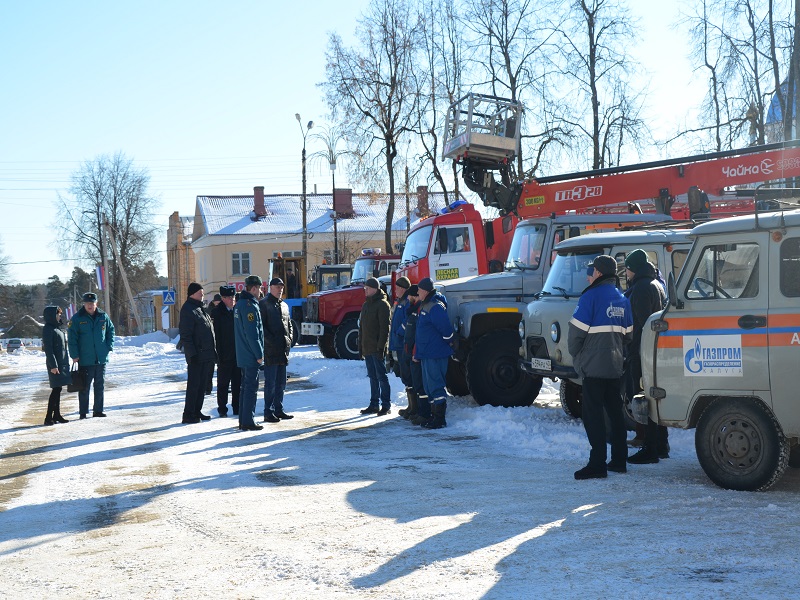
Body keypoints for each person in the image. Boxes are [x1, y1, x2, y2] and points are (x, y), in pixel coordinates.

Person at [568, 255, 632, 480]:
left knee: (593, 416)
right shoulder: (622, 298)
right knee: (615, 413)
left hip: (593, 367)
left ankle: (597, 464)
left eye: (592, 270)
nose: (590, 274)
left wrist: (577, 355)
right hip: (614, 366)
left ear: (599, 272)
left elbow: (575, 336)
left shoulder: (590, 297)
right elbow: (628, 335)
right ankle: (619, 460)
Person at [624, 248, 670, 465]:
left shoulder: (641, 288)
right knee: (655, 397)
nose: (625, 273)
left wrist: (636, 350)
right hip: (655, 351)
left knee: (644, 399)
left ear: (634, 269)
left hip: (643, 352)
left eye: (627, 268)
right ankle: (661, 445)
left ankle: (650, 448)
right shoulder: (656, 284)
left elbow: (643, 324)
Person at [413, 278, 456, 429]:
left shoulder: (435, 306)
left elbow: (445, 329)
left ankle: (440, 419)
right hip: (426, 353)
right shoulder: (425, 305)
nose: (417, 292)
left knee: (436, 385)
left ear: (425, 290)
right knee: (429, 386)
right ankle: (433, 416)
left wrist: (450, 341)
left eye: (419, 289)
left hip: (435, 354)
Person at [68, 292, 115, 419]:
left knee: (100, 385)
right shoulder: (77, 318)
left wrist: (108, 346)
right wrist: (74, 355)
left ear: (96, 303)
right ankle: (83, 412)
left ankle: (98, 410)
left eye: (92, 303)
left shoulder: (103, 316)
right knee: (84, 387)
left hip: (101, 358)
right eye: (88, 303)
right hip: (85, 359)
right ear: (84, 304)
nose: (90, 306)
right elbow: (72, 338)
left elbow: (111, 330)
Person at [179, 282, 217, 424]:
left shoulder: (200, 308)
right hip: (196, 356)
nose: (202, 295)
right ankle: (188, 414)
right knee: (194, 386)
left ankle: (197, 410)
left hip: (206, 355)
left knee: (202, 386)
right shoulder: (188, 309)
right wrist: (192, 354)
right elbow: (186, 335)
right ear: (193, 293)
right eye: (200, 293)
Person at [259, 277, 294, 423]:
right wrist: (270, 341)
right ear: (270, 288)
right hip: (271, 349)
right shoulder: (264, 304)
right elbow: (261, 327)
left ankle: (279, 409)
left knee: (281, 382)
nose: (280, 290)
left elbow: (289, 325)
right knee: (271, 382)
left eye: (282, 287)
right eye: (277, 287)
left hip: (282, 349)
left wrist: (289, 339)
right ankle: (268, 411)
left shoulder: (284, 305)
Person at [234, 275, 265, 431]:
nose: (260, 291)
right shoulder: (249, 306)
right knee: (250, 388)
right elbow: (252, 334)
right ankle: (247, 420)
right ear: (253, 288)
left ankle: (243, 419)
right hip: (250, 354)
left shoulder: (240, 304)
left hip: (243, 353)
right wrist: (259, 355)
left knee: (245, 388)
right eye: (259, 288)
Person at [358, 277, 392, 415]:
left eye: (367, 288)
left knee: (381, 377)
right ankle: (374, 404)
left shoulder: (383, 305)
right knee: (372, 377)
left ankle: (386, 405)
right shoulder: (366, 305)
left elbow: (385, 329)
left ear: (375, 289)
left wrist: (381, 347)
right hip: (368, 348)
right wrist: (361, 346)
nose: (365, 290)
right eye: (364, 288)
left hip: (377, 348)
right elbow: (362, 328)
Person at [404, 285, 433, 426]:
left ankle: (424, 413)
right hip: (411, 352)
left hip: (417, 353)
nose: (408, 298)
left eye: (410, 295)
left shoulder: (420, 310)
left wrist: (416, 352)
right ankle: (417, 410)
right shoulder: (414, 310)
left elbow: (418, 335)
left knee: (420, 385)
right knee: (415, 383)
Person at [211, 285, 241, 417]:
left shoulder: (237, 311)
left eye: (233, 297)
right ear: (223, 298)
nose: (232, 299)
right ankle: (222, 408)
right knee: (223, 384)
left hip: (237, 354)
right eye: (229, 297)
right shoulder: (217, 313)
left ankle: (237, 407)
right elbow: (215, 335)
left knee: (237, 383)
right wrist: (217, 354)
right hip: (223, 354)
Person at [388, 277, 414, 416]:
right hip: (398, 344)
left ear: (402, 289)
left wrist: (399, 332)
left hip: (403, 344)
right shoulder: (400, 302)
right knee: (405, 375)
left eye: (397, 288)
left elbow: (407, 321)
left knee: (408, 375)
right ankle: (411, 406)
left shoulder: (406, 303)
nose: (395, 290)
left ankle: (413, 407)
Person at [42, 305, 71, 425]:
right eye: (58, 314)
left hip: (61, 363)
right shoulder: (48, 329)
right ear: (51, 316)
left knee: (58, 389)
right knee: (55, 390)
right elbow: (48, 349)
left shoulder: (58, 328)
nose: (60, 316)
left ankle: (57, 415)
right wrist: (53, 365)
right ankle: (48, 417)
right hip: (55, 364)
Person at [204, 293, 223, 395]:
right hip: (211, 341)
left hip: (220, 340)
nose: (218, 304)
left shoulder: (222, 310)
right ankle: (207, 388)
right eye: (217, 302)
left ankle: (221, 385)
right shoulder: (208, 311)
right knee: (209, 367)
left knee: (221, 366)